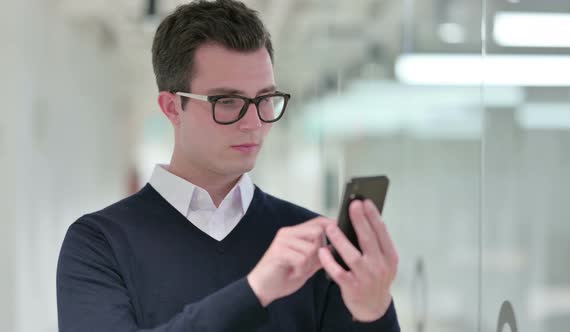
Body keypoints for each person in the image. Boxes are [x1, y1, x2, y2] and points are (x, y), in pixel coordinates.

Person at [56, 0, 401, 331]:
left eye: (265, 100)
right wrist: (255, 291)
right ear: (172, 108)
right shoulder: (99, 244)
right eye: (228, 101)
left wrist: (374, 312)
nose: (253, 122)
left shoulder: (313, 246)